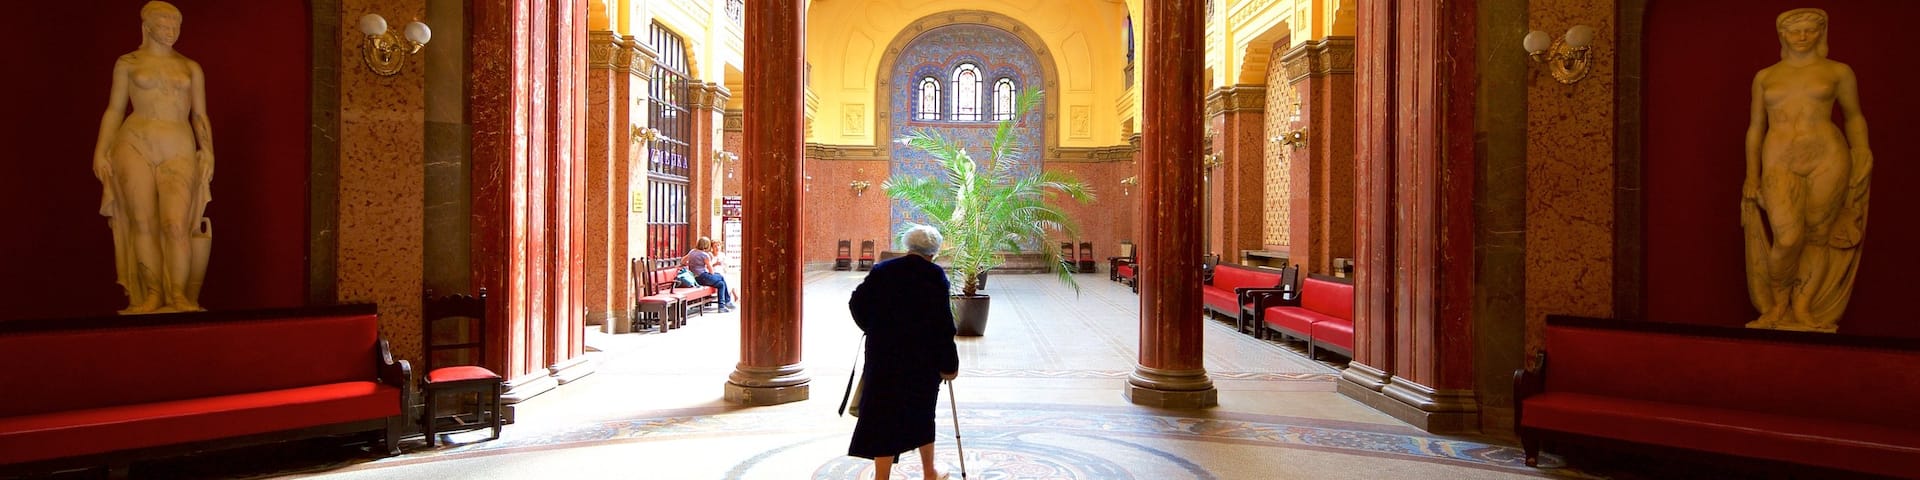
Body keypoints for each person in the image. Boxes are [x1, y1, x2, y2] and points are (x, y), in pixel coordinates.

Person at [1742, 7, 1871, 333]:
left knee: (1817, 236)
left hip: (1828, 157)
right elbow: (1755, 128)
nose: (1801, 36)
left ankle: (1801, 308)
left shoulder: (1839, 72)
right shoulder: (1766, 76)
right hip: (1780, 159)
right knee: (1786, 238)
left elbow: (1853, 116)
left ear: (1821, 33)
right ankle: (1777, 304)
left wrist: (1862, 151)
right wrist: (1752, 174)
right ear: (1782, 35)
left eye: (1809, 30)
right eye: (1794, 31)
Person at [93, 1, 215, 314]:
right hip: (134, 143)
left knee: (176, 223)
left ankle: (178, 296)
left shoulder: (190, 67)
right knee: (142, 222)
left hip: (178, 147)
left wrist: (209, 151)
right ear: (147, 26)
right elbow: (115, 109)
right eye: (164, 25)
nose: (171, 31)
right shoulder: (128, 63)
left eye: (176, 25)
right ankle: (151, 293)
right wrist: (100, 149)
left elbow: (200, 114)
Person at [847, 224, 959, 480]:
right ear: (934, 251)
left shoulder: (883, 270)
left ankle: (881, 476)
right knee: (922, 413)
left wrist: (874, 328)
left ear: (908, 246)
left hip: (883, 357)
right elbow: (944, 324)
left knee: (882, 413)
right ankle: (929, 472)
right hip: (922, 362)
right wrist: (949, 363)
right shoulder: (936, 276)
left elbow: (856, 303)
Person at [683, 236, 734, 312]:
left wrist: (690, 263)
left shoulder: (692, 252)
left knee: (721, 284)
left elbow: (683, 261)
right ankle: (724, 304)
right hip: (703, 276)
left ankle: (724, 304)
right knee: (721, 278)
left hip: (695, 278)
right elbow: (711, 271)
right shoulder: (705, 255)